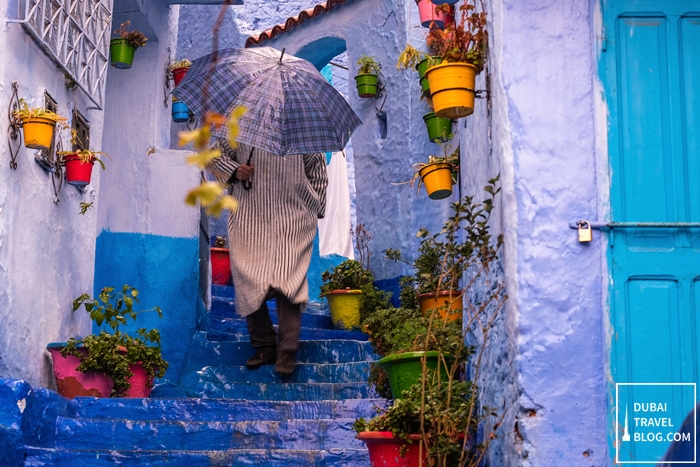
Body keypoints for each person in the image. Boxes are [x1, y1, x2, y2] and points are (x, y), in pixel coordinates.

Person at [209, 139, 328, 376]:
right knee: (247, 275)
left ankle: (286, 351)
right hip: (250, 214)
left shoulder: (301, 128)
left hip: (293, 214)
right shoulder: (242, 122)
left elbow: (317, 171)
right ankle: (264, 345)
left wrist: (315, 206)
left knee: (289, 278)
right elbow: (215, 156)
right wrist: (235, 170)